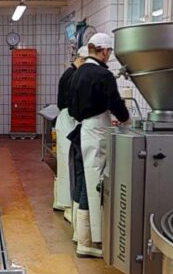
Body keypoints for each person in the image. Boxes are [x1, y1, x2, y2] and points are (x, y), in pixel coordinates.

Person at [67, 32, 129, 257]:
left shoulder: (78, 72)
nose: (109, 55)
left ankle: (79, 233)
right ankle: (88, 242)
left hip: (82, 129)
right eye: (109, 51)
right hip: (96, 133)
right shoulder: (103, 74)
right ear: (103, 51)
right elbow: (116, 104)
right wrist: (126, 120)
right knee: (94, 186)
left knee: (84, 180)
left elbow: (72, 106)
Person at [53, 46, 87, 223]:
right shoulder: (72, 75)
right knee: (68, 165)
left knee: (65, 164)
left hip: (66, 120)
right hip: (68, 120)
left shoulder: (70, 73)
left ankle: (62, 201)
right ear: (82, 59)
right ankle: (67, 205)